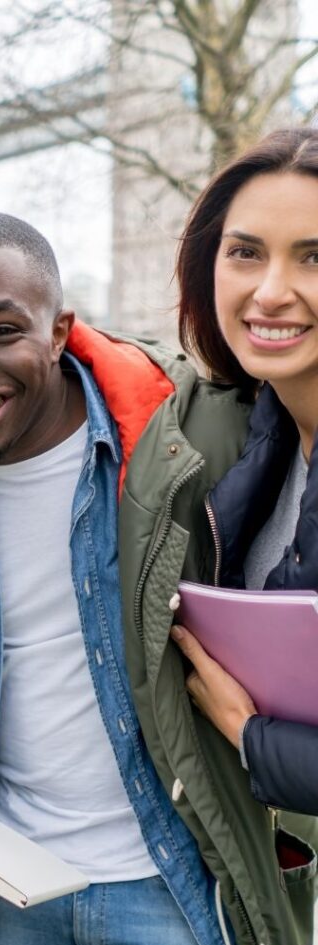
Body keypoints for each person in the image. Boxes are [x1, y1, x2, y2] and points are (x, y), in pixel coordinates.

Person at [0, 211, 315, 945]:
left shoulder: (195, 432)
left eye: (1, 329)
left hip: (176, 893)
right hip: (12, 895)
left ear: (59, 331)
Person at [170, 127, 318, 819]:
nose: (271, 291)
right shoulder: (263, 439)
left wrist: (248, 735)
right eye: (245, 253)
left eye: (314, 258)